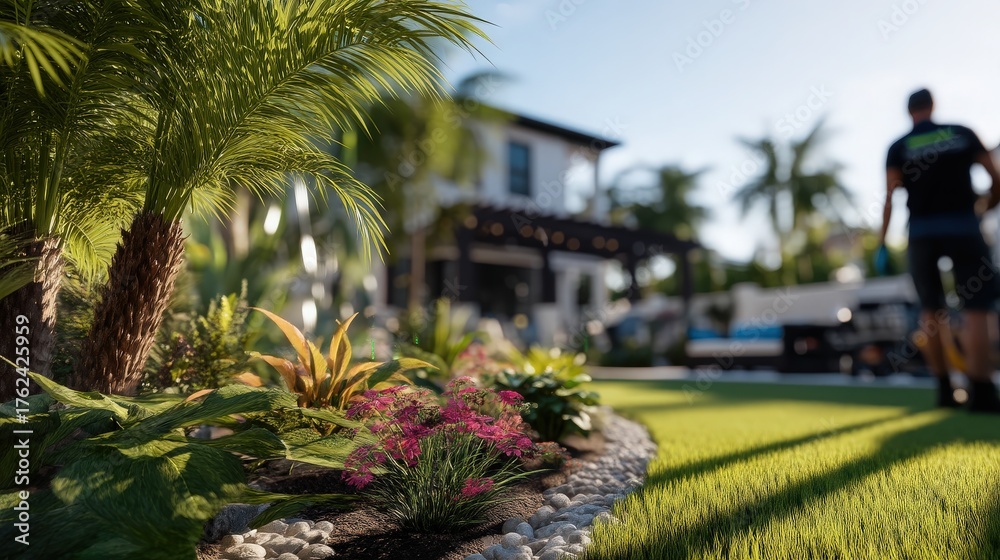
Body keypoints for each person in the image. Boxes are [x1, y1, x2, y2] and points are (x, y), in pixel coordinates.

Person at [879, 88, 1000, 413]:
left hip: (921, 234)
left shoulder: (899, 147)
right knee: (978, 309)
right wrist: (987, 205)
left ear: (909, 112)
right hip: (964, 228)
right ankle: (982, 390)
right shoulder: (961, 133)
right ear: (933, 106)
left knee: (931, 312)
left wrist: (881, 243)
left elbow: (889, 199)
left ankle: (946, 391)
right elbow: (995, 176)